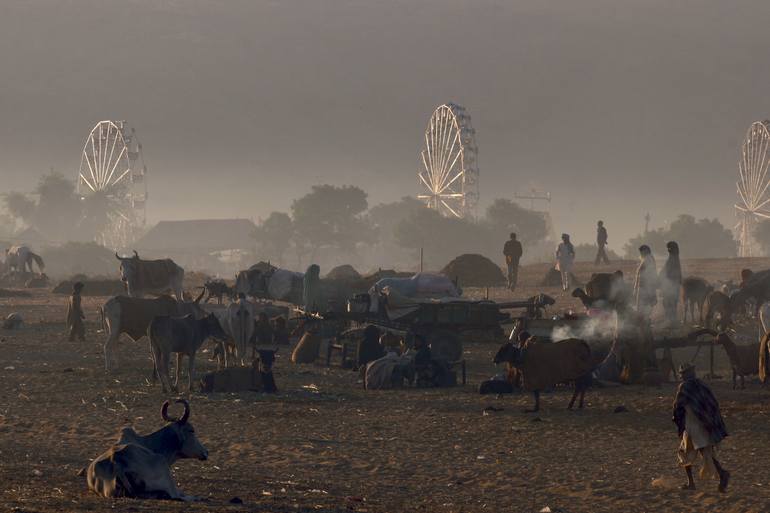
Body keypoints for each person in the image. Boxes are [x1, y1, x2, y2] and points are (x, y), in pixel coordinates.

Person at [672, 363, 730, 492]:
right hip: (704, 424)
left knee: (685, 452)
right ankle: (721, 474)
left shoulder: (684, 387)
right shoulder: (702, 385)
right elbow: (713, 403)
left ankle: (692, 483)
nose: (681, 377)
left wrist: (679, 422)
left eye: (682, 374)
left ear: (685, 374)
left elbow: (678, 406)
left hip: (693, 425)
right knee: (705, 451)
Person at [660, 241, 682, 326]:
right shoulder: (675, 258)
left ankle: (671, 321)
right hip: (672, 285)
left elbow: (667, 271)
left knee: (669, 303)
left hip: (671, 285)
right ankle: (671, 321)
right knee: (671, 304)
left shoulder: (672, 258)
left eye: (669, 248)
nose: (668, 250)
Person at [634, 245, 658, 320]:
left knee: (644, 308)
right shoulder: (647, 259)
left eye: (642, 251)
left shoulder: (648, 259)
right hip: (644, 287)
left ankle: (645, 323)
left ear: (646, 251)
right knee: (644, 307)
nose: (641, 253)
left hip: (646, 288)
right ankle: (645, 322)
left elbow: (650, 275)